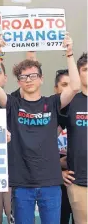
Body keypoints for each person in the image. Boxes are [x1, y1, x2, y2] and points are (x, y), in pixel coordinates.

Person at [0, 33, 81, 224]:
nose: (28, 79)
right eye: (23, 77)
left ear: (41, 78)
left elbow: (75, 86)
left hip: (51, 183)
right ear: (19, 81)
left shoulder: (53, 103)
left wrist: (69, 54)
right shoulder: (13, 104)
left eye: (33, 75)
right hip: (21, 183)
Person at [59, 53, 87, 224]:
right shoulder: (70, 102)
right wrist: (57, 170)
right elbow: (45, 139)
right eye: (85, 70)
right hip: (79, 182)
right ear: (78, 73)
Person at [53, 69, 75, 224]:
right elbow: (39, 149)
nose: (68, 89)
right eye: (64, 85)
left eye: (71, 84)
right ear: (56, 89)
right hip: (58, 182)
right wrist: (57, 168)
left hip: (81, 180)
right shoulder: (49, 114)